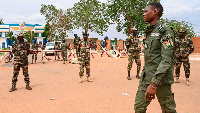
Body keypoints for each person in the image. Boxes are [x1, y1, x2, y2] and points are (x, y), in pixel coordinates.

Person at [134, 2, 177, 113]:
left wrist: (153, 84)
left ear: (155, 12)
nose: (143, 14)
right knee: (139, 108)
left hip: (160, 80)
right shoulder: (150, 31)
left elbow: (166, 59)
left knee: (168, 110)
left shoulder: (165, 31)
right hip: (146, 77)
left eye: (145, 11)